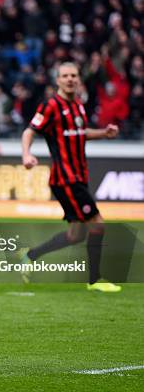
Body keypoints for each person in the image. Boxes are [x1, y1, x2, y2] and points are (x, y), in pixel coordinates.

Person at [20, 62, 121, 292]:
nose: (70, 79)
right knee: (97, 224)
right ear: (57, 80)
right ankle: (95, 280)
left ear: (78, 79)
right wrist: (27, 154)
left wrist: (104, 133)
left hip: (79, 176)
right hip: (65, 179)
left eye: (74, 75)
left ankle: (29, 256)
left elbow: (79, 133)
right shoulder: (50, 106)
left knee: (76, 235)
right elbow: (29, 131)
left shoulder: (78, 105)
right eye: (65, 76)